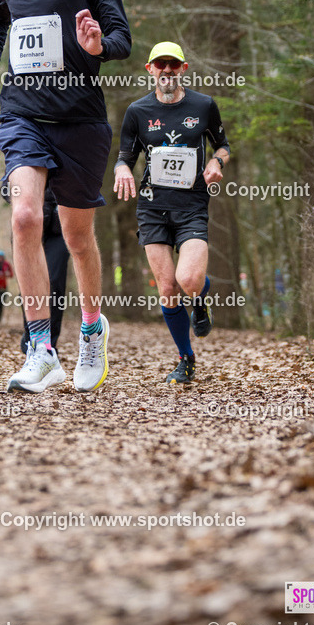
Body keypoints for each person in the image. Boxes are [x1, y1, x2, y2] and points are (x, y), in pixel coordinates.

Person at [0, 0, 131, 393]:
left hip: (80, 118)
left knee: (78, 238)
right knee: (24, 217)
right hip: (22, 114)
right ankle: (40, 348)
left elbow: (122, 38)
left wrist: (97, 44)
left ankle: (92, 330)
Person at [113, 41, 230, 385]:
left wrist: (216, 161)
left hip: (191, 206)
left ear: (183, 69)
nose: (167, 70)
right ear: (150, 69)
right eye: (160, 64)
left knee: (188, 280)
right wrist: (122, 169)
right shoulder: (137, 111)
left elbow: (223, 146)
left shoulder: (204, 105)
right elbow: (124, 157)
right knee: (167, 288)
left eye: (173, 65)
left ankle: (200, 299)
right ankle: (186, 358)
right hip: (152, 207)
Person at [19, 186, 69, 356]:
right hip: (29, 222)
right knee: (29, 282)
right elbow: (7, 185)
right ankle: (31, 339)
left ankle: (49, 346)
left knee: (54, 283)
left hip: (60, 225)